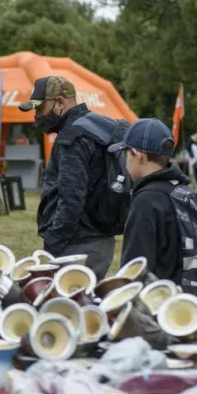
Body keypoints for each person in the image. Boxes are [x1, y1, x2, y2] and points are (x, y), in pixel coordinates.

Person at [20, 76, 122, 279]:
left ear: (60, 102)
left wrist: (52, 243)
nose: (37, 116)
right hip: (101, 240)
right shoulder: (99, 126)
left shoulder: (72, 138)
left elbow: (70, 200)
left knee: (68, 308)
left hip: (78, 246)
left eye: (40, 109)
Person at [109, 119, 189, 280]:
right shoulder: (179, 189)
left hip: (156, 297)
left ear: (138, 155)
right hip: (181, 295)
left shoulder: (145, 201)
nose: (125, 161)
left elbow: (133, 268)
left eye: (126, 154)